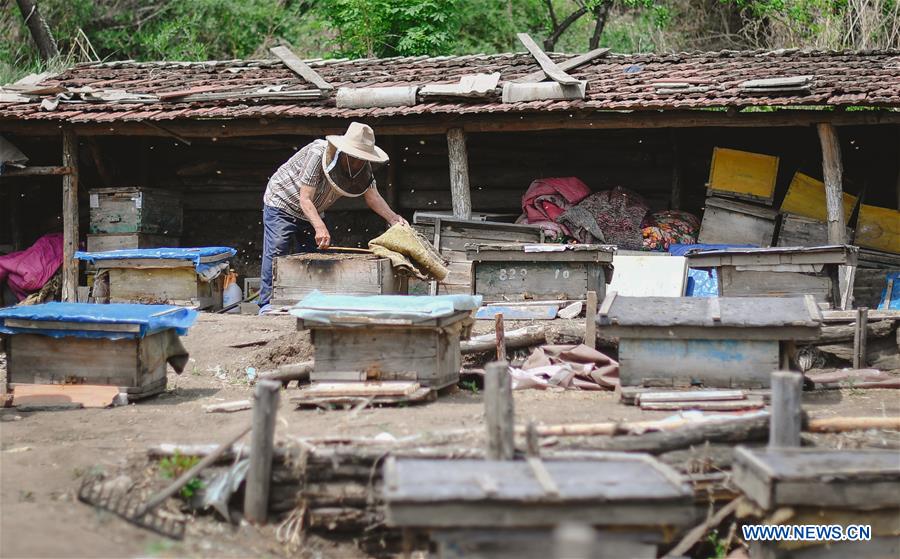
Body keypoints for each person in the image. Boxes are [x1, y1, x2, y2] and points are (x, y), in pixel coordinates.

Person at [258, 122, 406, 312]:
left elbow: (372, 195)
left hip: (314, 209)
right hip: (283, 201)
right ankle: (266, 304)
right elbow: (305, 198)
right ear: (345, 150)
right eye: (355, 157)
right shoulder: (318, 153)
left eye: (362, 158)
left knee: (317, 255)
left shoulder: (363, 168)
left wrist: (393, 218)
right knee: (278, 248)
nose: (357, 162)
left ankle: (310, 302)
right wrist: (319, 227)